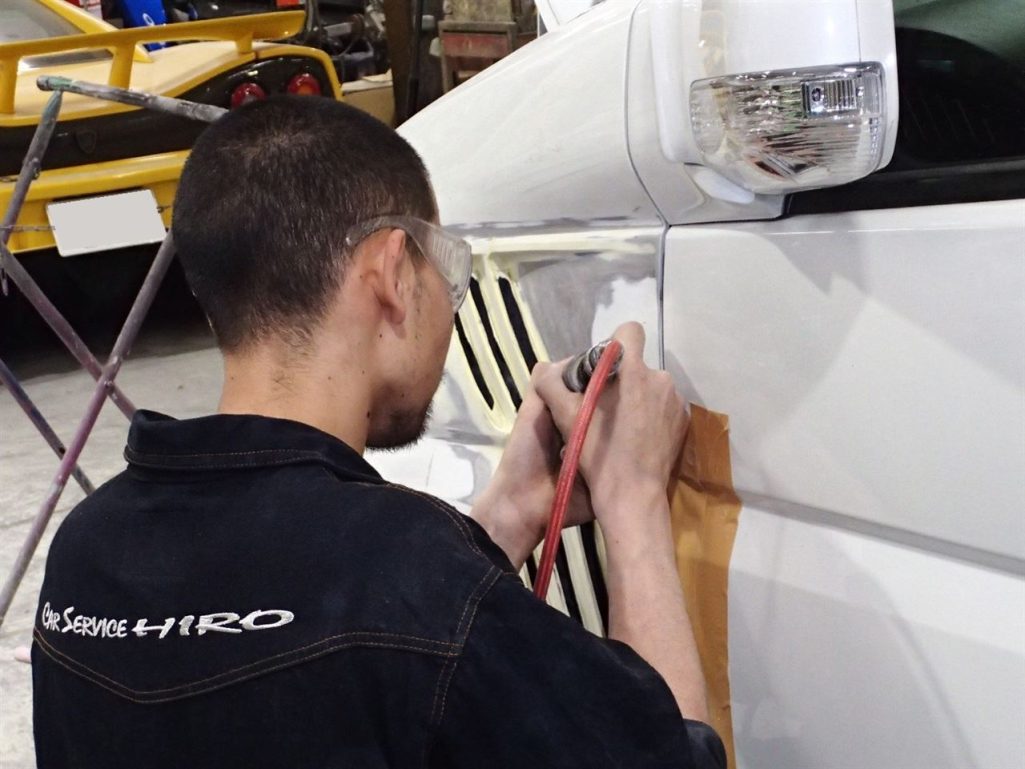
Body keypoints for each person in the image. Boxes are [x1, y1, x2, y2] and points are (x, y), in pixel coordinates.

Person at [31, 97, 726, 768]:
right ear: (393, 272)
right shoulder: (408, 572)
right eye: (446, 273)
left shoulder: (84, 555)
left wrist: (509, 515)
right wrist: (633, 501)